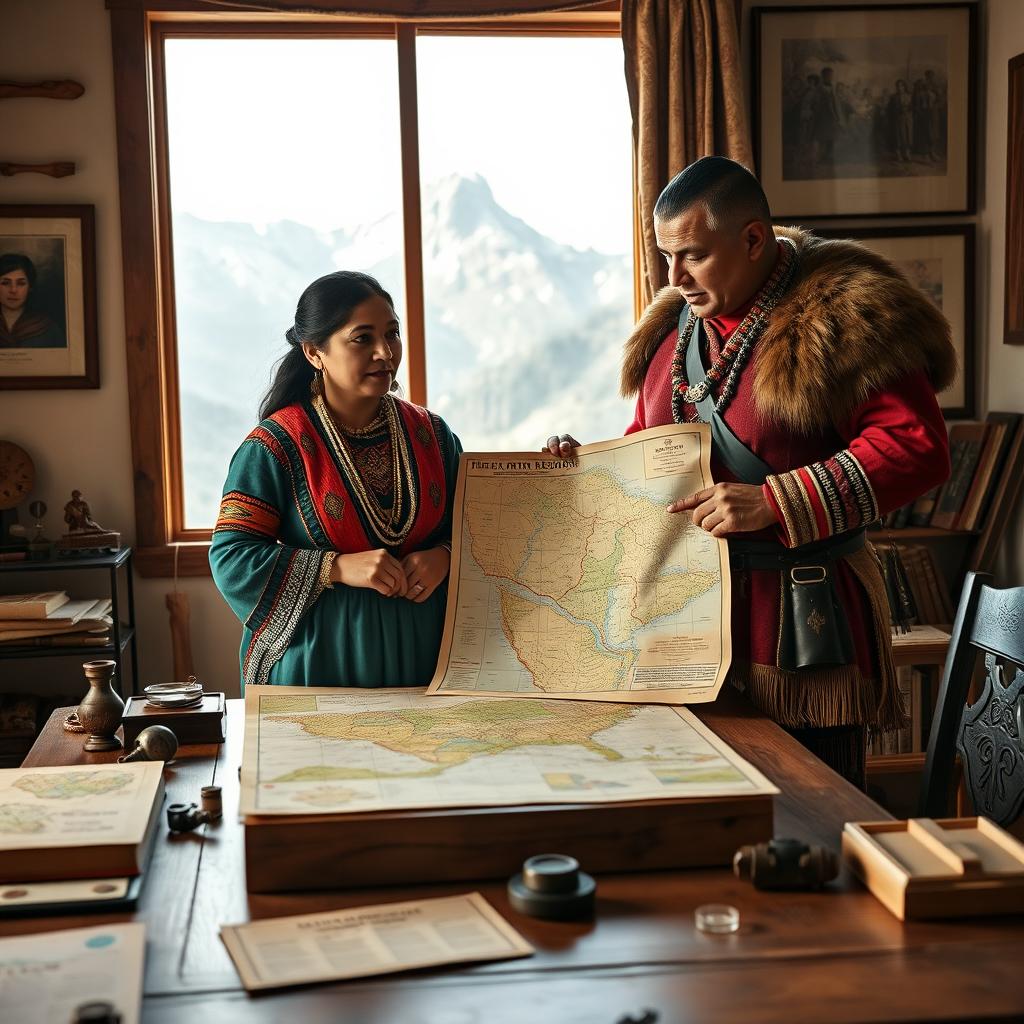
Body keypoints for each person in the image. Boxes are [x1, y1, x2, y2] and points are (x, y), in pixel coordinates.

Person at [545, 157, 954, 787]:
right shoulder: (672, 325)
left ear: (754, 240)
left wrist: (775, 500)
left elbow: (917, 446)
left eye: (693, 255)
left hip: (798, 625)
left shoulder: (848, 314)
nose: (674, 277)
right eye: (666, 256)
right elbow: (651, 448)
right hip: (680, 626)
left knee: (814, 819)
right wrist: (586, 467)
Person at [210, 271, 462, 689]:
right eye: (362, 338)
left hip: (428, 661)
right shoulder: (275, 445)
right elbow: (231, 558)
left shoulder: (432, 436)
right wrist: (338, 567)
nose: (385, 351)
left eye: (392, 334)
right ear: (314, 353)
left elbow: (486, 526)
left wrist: (446, 555)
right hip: (320, 664)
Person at [0, 253, 63, 347]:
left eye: (21, 283)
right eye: (5, 283)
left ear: (30, 287)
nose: (13, 290)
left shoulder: (49, 329)